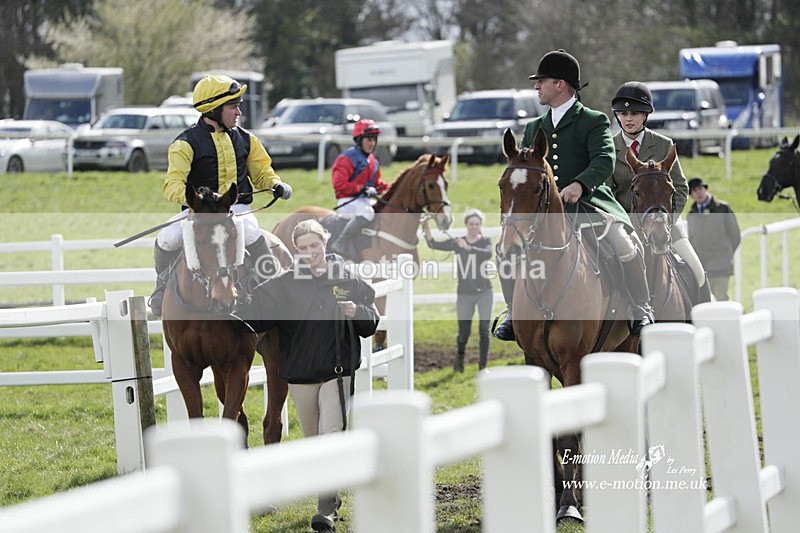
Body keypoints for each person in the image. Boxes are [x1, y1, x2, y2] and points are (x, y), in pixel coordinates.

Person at [493, 49, 654, 341]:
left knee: (625, 245)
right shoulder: (533, 128)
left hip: (589, 204)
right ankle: (512, 312)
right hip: (543, 210)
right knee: (506, 250)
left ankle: (641, 309)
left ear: (561, 84)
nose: (536, 87)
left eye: (542, 81)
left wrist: (580, 184)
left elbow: (604, 159)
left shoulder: (593, 120)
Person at [246, 219, 379, 531]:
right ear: (296, 250)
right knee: (314, 443)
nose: (309, 253)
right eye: (302, 248)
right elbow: (255, 317)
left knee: (332, 436)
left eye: (314, 246)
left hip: (338, 370)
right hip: (301, 373)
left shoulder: (346, 276)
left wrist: (355, 312)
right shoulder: (284, 283)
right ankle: (330, 497)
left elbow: (370, 321)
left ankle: (326, 511)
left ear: (325, 242)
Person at [148, 74, 293, 316]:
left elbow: (262, 172)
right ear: (214, 110)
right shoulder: (184, 144)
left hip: (236, 210)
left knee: (251, 232)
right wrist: (195, 201)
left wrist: (276, 184)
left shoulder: (247, 139)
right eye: (233, 107)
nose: (238, 113)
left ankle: (268, 285)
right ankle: (161, 288)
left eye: (238, 107)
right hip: (198, 213)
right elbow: (172, 184)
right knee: (167, 238)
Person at [608, 81, 711, 298]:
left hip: (665, 222)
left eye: (635, 113)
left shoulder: (664, 144)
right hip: (626, 225)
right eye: (623, 113)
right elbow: (607, 192)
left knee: (697, 271)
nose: (628, 118)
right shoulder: (608, 147)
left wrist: (666, 220)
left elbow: (681, 188)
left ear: (645, 115)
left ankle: (702, 319)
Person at [422, 209, 494, 372]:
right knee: (464, 333)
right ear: (466, 225)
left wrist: (468, 247)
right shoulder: (457, 242)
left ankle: (483, 367)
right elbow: (433, 243)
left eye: (477, 224)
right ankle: (459, 360)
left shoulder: (485, 241)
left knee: (484, 329)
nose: (474, 227)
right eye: (471, 224)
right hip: (464, 293)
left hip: (485, 292)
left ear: (480, 226)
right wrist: (426, 227)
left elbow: (487, 254)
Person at [328, 118, 390, 258]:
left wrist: (390, 188)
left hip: (364, 201)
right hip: (348, 201)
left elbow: (376, 183)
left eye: (374, 140)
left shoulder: (373, 161)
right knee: (369, 213)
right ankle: (340, 242)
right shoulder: (346, 158)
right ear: (359, 140)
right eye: (368, 139)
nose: (372, 143)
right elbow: (339, 184)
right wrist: (361, 188)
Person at [686, 178, 741, 301]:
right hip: (701, 270)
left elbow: (735, 236)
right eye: (694, 191)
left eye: (700, 189)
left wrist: (726, 254)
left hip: (720, 266)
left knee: (721, 299)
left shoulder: (723, 209)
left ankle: (732, 318)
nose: (698, 192)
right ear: (691, 195)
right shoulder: (691, 216)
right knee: (704, 304)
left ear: (705, 189)